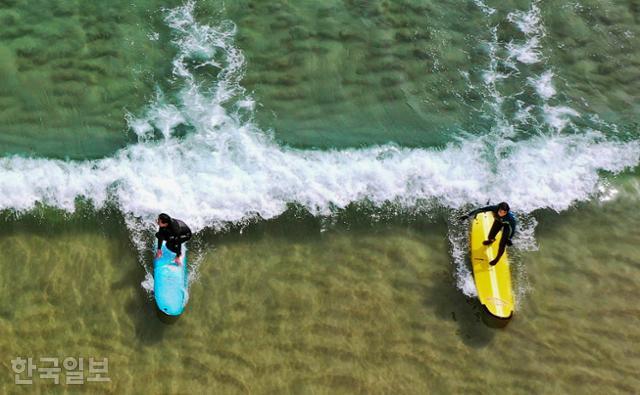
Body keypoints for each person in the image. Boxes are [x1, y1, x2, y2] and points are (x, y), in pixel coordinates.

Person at [459, 202, 516, 266]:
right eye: (500, 211)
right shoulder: (494, 208)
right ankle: (491, 240)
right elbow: (481, 209)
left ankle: (497, 259)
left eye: (504, 212)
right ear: (498, 208)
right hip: (498, 221)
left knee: (502, 243)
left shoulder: (510, 218)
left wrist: (509, 238)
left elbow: (513, 229)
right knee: (490, 236)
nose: (502, 214)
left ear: (507, 212)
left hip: (507, 226)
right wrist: (468, 215)